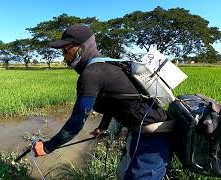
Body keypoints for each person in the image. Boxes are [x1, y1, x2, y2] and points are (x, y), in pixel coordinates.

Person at [32, 24, 175, 180]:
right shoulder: (108, 64)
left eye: (67, 50)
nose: (65, 56)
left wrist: (47, 147)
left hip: (153, 139)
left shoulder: (91, 74)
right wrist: (103, 127)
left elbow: (76, 123)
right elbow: (114, 100)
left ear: (82, 47)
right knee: (123, 175)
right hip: (141, 132)